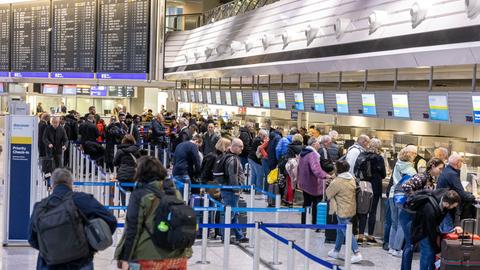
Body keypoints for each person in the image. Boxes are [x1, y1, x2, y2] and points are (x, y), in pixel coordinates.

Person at [29, 168, 117, 270]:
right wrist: (91, 246)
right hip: (80, 262)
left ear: (52, 184)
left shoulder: (40, 207)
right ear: (71, 183)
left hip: (48, 264)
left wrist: (52, 251)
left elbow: (32, 239)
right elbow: (111, 220)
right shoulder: (82, 200)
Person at [114, 156, 191, 270]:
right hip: (178, 256)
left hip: (149, 257)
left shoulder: (141, 194)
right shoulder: (174, 192)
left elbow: (133, 229)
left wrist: (125, 257)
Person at [399, 158, 445, 270]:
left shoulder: (430, 179)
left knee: (412, 244)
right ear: (433, 166)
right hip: (408, 214)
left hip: (417, 215)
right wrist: (416, 198)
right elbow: (405, 186)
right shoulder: (422, 177)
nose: (441, 171)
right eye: (440, 168)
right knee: (409, 244)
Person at [411, 189, 462, 270]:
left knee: (432, 254)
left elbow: (456, 209)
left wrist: (457, 225)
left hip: (432, 227)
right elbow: (431, 231)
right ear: (447, 204)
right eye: (453, 206)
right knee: (427, 253)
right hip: (423, 230)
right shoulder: (429, 208)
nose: (453, 208)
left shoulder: (448, 195)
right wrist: (437, 249)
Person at [326, 160, 363, 264]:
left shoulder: (338, 181)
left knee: (346, 232)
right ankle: (336, 251)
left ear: (338, 169)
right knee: (340, 230)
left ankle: (357, 253)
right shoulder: (351, 178)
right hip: (350, 208)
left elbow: (328, 193)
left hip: (341, 209)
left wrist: (331, 182)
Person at [216, 138, 249, 243]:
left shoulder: (226, 156)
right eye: (240, 147)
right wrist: (236, 189)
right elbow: (233, 176)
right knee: (231, 214)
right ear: (234, 146)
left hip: (226, 189)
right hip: (231, 191)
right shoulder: (233, 159)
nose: (242, 149)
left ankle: (239, 235)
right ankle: (225, 236)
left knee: (234, 213)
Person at [388, 145, 417, 257]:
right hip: (402, 197)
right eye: (415, 154)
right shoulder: (410, 169)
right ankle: (397, 249)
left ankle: (391, 247)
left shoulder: (397, 164)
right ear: (411, 155)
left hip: (392, 194)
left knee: (394, 222)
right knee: (402, 223)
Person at [356, 138, 387, 244]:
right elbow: (383, 174)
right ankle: (370, 235)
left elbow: (357, 170)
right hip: (375, 186)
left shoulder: (362, 155)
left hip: (364, 185)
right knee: (372, 211)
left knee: (363, 210)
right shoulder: (379, 158)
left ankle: (360, 235)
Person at [298, 137, 331, 224]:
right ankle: (315, 222)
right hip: (313, 184)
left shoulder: (303, 152)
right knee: (317, 204)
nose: (319, 144)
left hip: (305, 182)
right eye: (317, 143)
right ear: (313, 144)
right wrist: (326, 175)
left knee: (306, 203)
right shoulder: (312, 154)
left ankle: (304, 222)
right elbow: (316, 169)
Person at [437, 153, 477, 224]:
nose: (462, 164)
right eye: (461, 161)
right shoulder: (452, 174)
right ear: (457, 163)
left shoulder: (447, 170)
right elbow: (462, 194)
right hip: (449, 205)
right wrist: (473, 197)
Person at [113, 134, 140, 206]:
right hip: (135, 174)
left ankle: (125, 209)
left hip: (123, 174)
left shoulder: (120, 151)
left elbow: (115, 163)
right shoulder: (137, 150)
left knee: (123, 193)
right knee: (134, 194)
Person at [282, 133, 304, 205]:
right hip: (301, 168)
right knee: (299, 184)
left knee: (290, 184)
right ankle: (298, 201)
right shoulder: (304, 147)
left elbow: (287, 158)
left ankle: (289, 200)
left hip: (291, 168)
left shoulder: (290, 147)